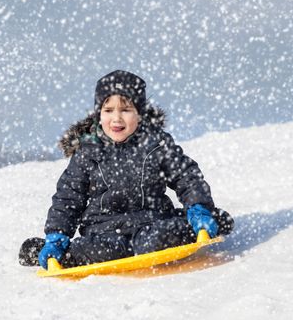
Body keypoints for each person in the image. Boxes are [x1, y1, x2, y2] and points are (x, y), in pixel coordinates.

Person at [19, 70, 234, 269]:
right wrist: (57, 236)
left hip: (153, 223)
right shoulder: (87, 152)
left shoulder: (155, 144)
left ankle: (205, 221)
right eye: (108, 110)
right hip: (103, 231)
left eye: (126, 109)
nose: (116, 118)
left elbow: (186, 176)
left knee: (155, 241)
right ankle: (52, 252)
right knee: (95, 252)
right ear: (98, 114)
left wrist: (199, 207)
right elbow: (68, 199)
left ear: (139, 114)